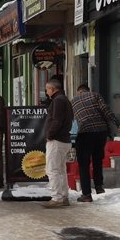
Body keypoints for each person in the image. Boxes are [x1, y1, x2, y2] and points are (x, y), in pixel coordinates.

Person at [72, 83, 120, 202]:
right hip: (100, 132)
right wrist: (118, 124)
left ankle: (86, 194)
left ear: (79, 92)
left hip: (84, 132)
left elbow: (72, 121)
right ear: (88, 90)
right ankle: (99, 186)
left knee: (84, 164)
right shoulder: (95, 96)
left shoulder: (74, 101)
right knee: (97, 159)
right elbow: (106, 111)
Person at [42, 77, 73, 208]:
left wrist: (50, 134)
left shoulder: (58, 101)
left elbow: (57, 120)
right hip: (64, 139)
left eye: (47, 89)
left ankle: (56, 198)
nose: (46, 92)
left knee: (52, 170)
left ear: (52, 89)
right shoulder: (64, 99)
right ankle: (63, 196)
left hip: (56, 140)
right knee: (60, 170)